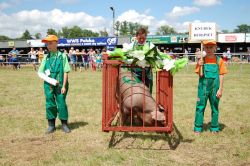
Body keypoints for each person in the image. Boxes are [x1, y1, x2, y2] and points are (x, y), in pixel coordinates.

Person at [38, 35, 71, 134]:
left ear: (56, 43)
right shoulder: (46, 57)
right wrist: (51, 81)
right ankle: (51, 125)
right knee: (50, 103)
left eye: (51, 43)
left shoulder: (62, 56)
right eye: (47, 44)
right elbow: (40, 72)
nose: (48, 46)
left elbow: (66, 71)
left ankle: (64, 124)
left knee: (61, 103)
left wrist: (64, 85)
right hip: (48, 85)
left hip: (61, 84)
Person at [194, 40, 227, 134]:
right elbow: (200, 75)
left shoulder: (219, 61)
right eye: (207, 47)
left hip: (215, 89)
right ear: (203, 48)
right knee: (200, 107)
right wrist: (200, 65)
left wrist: (220, 89)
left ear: (215, 48)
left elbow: (221, 75)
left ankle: (214, 127)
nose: (209, 49)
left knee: (215, 108)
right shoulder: (202, 60)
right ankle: (198, 128)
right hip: (202, 89)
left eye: (211, 47)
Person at [131, 27, 153, 93]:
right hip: (135, 72)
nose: (141, 40)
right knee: (136, 90)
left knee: (147, 90)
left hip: (147, 72)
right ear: (136, 36)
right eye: (140, 38)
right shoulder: (132, 45)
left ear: (146, 36)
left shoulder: (150, 45)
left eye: (143, 38)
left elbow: (157, 54)